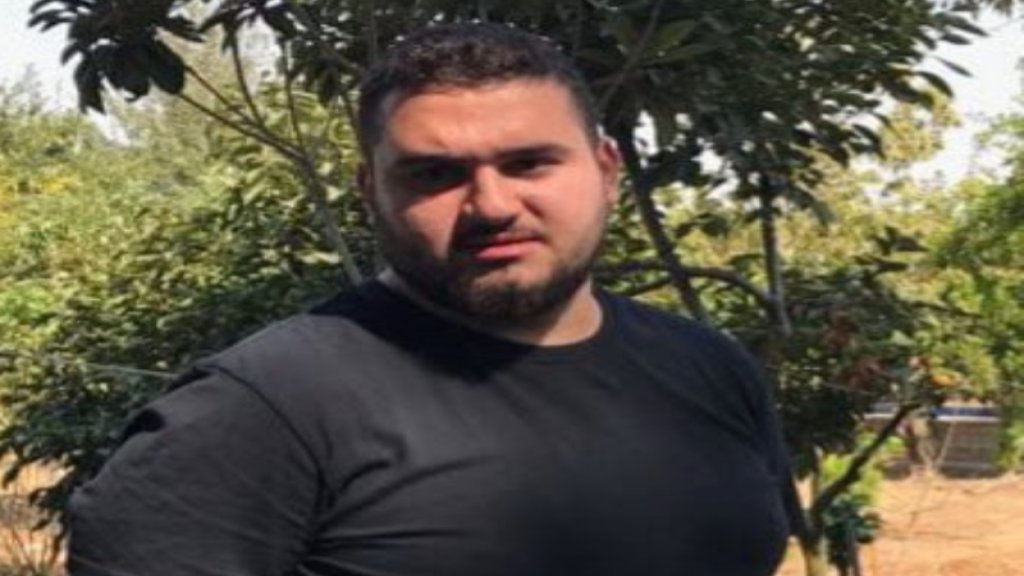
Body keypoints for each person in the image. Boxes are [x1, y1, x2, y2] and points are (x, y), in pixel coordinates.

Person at [68, 22, 801, 576]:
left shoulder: (708, 368)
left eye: (529, 163)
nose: (492, 205)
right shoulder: (263, 409)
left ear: (607, 171)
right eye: (434, 175)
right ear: (370, 191)